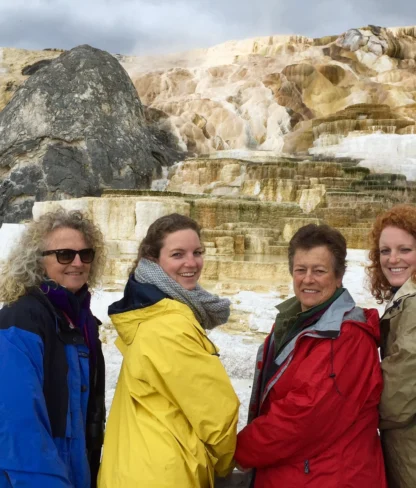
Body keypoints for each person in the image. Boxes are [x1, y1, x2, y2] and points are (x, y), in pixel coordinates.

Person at [234, 224, 387, 488]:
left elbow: (302, 419)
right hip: (300, 473)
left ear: (339, 277)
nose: (308, 279)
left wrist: (236, 450)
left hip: (328, 477)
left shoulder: (346, 337)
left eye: (319, 271)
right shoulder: (295, 322)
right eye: (300, 270)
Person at [98, 213, 239, 488]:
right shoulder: (169, 325)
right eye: (177, 254)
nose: (192, 263)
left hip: (135, 466)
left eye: (197, 252)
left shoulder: (147, 313)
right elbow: (217, 415)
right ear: (154, 261)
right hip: (166, 473)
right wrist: (225, 465)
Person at [0, 208, 106, 488]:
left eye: (86, 254)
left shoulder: (81, 321)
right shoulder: (21, 320)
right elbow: (20, 427)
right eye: (64, 255)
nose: (77, 262)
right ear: (38, 261)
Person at [367, 204, 416, 488]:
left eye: (405, 250)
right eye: (385, 251)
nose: (393, 259)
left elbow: (398, 397)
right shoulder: (403, 298)